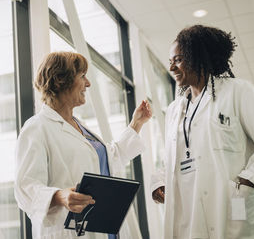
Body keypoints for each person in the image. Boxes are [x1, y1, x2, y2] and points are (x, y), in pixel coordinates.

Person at [151, 25, 254, 238]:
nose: (172, 68)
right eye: (170, 62)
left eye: (177, 60)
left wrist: (247, 182)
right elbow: (170, 161)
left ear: (197, 57)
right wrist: (160, 182)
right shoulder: (173, 111)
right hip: (189, 212)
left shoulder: (238, 91)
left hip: (232, 209)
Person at [14, 51, 152, 239]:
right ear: (60, 80)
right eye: (82, 76)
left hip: (104, 228)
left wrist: (137, 124)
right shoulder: (37, 127)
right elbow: (24, 187)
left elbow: (108, 162)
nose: (88, 83)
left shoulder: (80, 126)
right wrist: (58, 196)